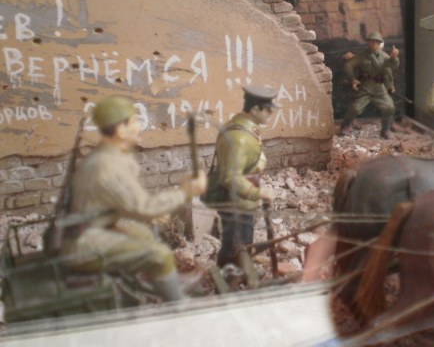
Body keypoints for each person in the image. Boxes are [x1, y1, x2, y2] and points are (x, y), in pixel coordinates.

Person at [63, 95, 206, 301]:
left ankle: (154, 282)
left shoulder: (108, 157)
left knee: (144, 234)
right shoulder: (107, 166)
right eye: (134, 121)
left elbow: (122, 202)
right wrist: (185, 192)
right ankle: (178, 304)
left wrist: (150, 214)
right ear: (120, 130)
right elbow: (143, 207)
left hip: (94, 226)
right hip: (84, 242)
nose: (140, 126)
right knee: (160, 254)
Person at [205, 85, 279, 269]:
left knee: (241, 243)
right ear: (255, 110)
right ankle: (228, 278)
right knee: (235, 246)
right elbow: (229, 178)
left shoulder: (242, 127)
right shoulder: (240, 138)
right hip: (236, 201)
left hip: (241, 199)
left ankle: (241, 271)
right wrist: (259, 193)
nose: (271, 114)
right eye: (268, 110)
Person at [339, 32, 400, 139]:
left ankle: (386, 130)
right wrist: (353, 79)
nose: (374, 44)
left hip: (379, 88)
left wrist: (394, 57)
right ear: (368, 42)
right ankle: (345, 126)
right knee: (355, 108)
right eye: (372, 41)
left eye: (376, 42)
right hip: (366, 87)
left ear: (380, 43)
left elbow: (393, 66)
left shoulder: (384, 56)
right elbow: (349, 65)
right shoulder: (362, 55)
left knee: (389, 107)